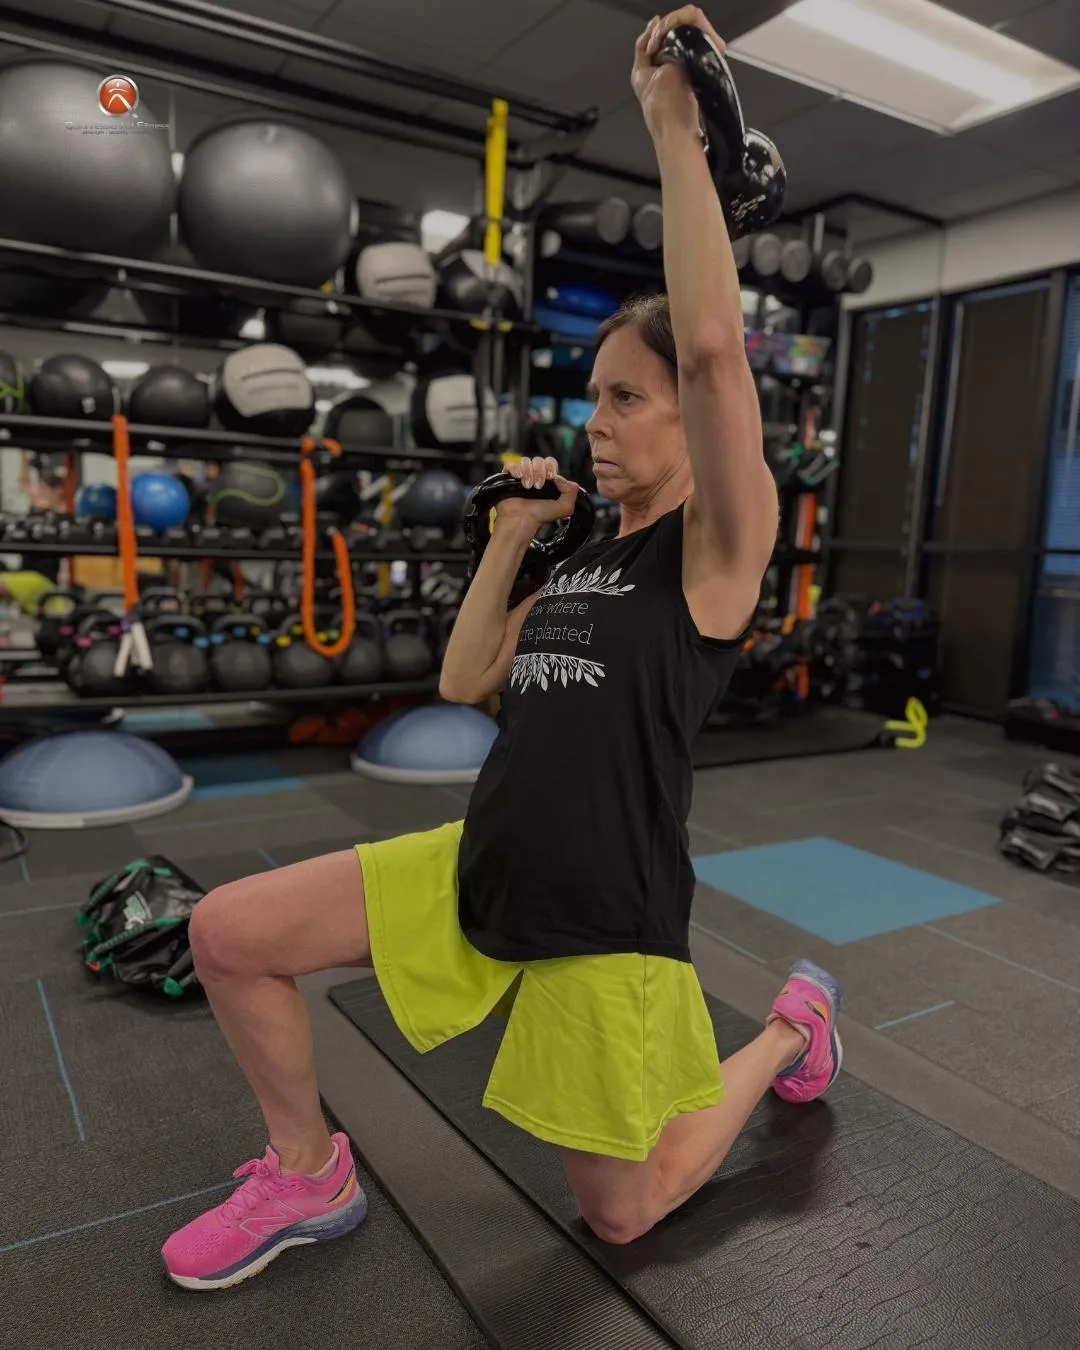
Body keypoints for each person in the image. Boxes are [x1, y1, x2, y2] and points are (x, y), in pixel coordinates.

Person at [162, 6, 843, 1292]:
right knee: (231, 934)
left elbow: (708, 346)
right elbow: (470, 680)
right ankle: (307, 1173)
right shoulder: (585, 550)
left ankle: (790, 1030)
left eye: (626, 401)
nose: (600, 424)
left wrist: (671, 136)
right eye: (593, 398)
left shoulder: (711, 558)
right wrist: (518, 535)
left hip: (603, 916)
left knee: (624, 1215)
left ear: (694, 427)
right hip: (482, 871)